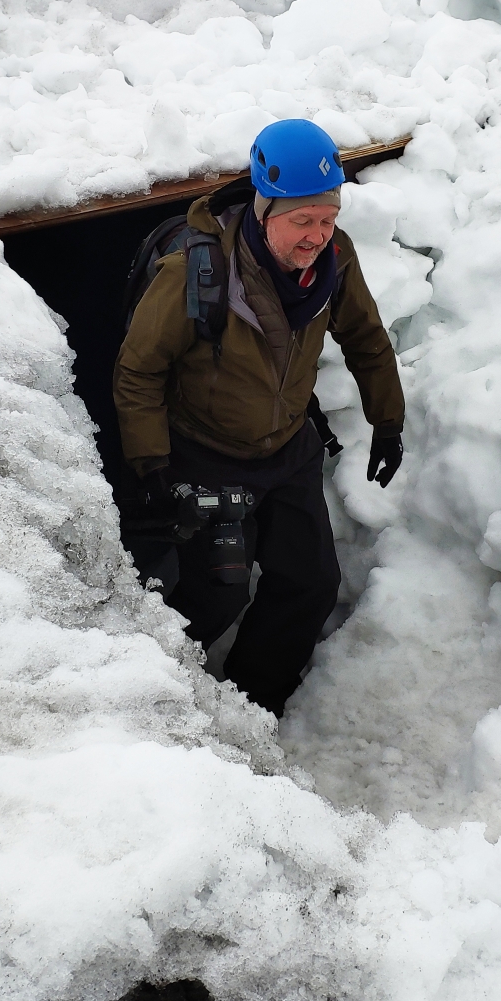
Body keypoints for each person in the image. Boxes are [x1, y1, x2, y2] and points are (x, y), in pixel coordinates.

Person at [113, 119, 406, 716]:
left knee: (311, 585)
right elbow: (137, 372)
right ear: (264, 206)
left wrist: (388, 422)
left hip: (288, 450)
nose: (317, 236)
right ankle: (151, 705)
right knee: (213, 598)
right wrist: (150, 466)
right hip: (207, 452)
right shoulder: (194, 276)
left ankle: (254, 703)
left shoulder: (335, 261)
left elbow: (366, 339)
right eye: (302, 220)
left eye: (328, 218)